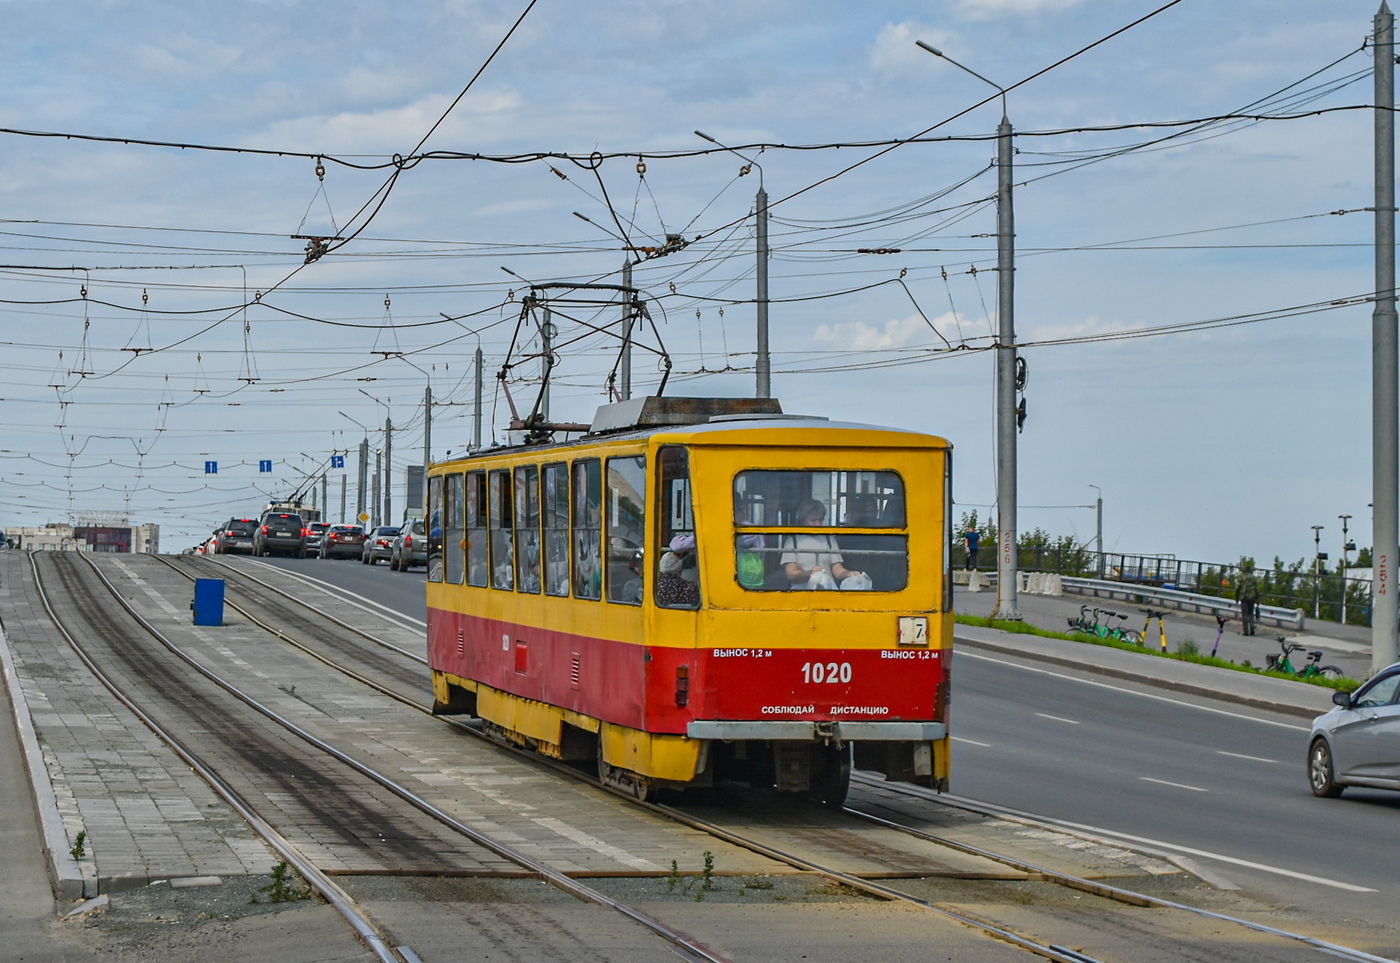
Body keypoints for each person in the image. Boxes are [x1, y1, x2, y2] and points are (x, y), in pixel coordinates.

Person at [781, 499, 863, 589]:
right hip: (802, 594)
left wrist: (849, 573)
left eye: (820, 520)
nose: (817, 524)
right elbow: (791, 573)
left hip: (826, 592)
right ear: (802, 520)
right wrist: (810, 573)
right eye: (813, 520)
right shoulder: (793, 541)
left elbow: (837, 570)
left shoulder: (829, 540)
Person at [1235, 559, 1260, 636]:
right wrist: (1258, 599)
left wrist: (1237, 598)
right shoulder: (1254, 578)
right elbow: (1257, 589)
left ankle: (1246, 631)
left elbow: (1237, 588)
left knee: (1245, 615)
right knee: (1251, 613)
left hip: (1244, 597)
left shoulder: (1242, 578)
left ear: (1245, 571)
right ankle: (1252, 627)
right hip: (1252, 598)